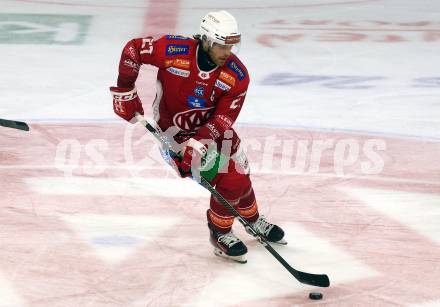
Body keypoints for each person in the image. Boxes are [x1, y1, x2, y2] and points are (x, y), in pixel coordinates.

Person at [110, 10, 286, 263]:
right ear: (206, 40)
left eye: (231, 45)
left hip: (215, 133)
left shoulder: (236, 75)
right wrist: (124, 91)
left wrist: (199, 143)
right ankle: (220, 233)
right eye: (221, 46)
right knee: (232, 181)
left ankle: (252, 220)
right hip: (175, 137)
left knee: (241, 179)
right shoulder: (174, 51)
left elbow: (223, 119)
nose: (228, 52)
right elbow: (133, 50)